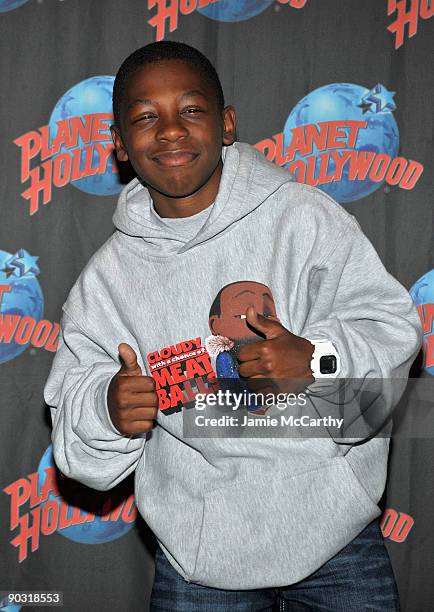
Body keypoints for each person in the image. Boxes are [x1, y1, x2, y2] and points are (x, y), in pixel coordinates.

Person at [44, 41, 422, 611]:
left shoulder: (304, 218)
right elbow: (79, 435)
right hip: (200, 560)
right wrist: (108, 409)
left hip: (337, 541)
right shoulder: (107, 281)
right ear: (119, 143)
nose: (171, 131)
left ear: (226, 124)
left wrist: (317, 359)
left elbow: (392, 329)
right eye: (147, 117)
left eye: (191, 110)